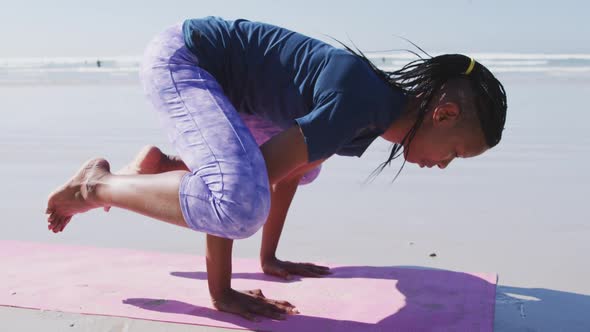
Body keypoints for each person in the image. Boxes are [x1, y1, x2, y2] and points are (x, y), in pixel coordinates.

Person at [45, 16, 507, 321]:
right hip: (187, 60)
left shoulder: (374, 116)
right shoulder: (359, 105)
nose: (444, 165)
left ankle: (160, 168)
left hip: (235, 90)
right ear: (443, 114)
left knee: (303, 170)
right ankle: (98, 184)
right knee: (238, 202)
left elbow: (287, 172)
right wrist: (222, 292)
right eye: (455, 153)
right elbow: (247, 188)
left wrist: (269, 260)